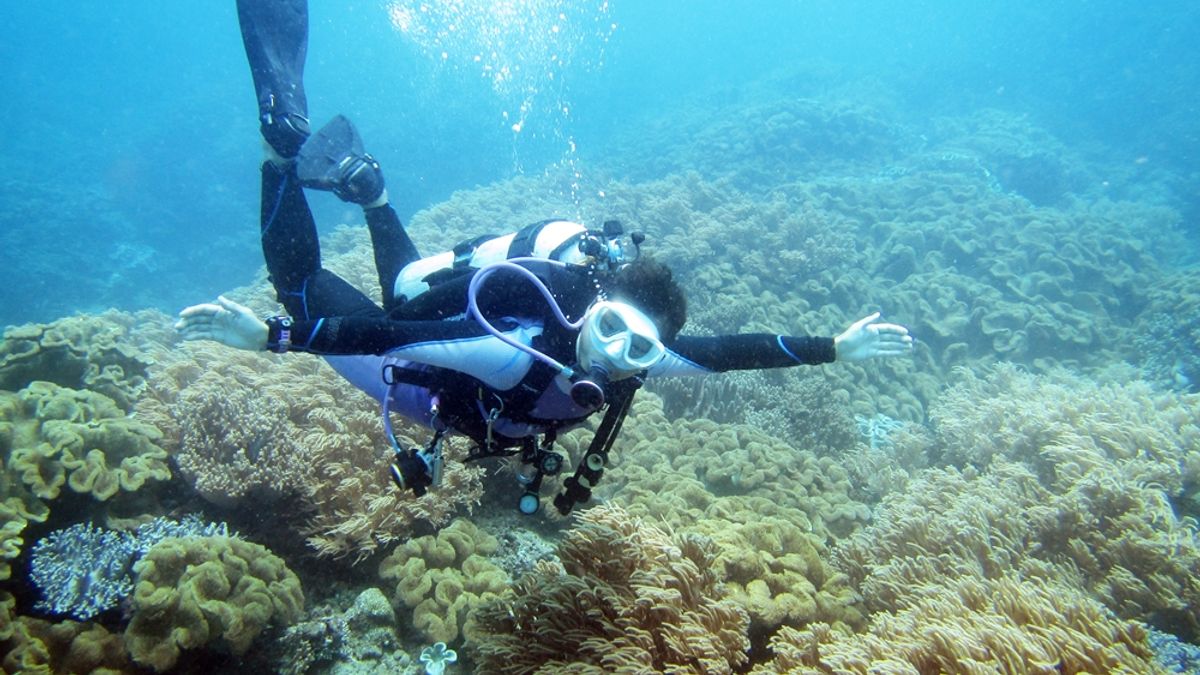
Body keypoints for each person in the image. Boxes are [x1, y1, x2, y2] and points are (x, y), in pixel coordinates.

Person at [176, 0, 913, 516]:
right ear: (597, 307)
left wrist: (837, 349)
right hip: (422, 376)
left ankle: (375, 196)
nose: (619, 355)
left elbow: (729, 352)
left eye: (640, 349)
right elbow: (393, 339)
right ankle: (279, 149)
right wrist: (275, 337)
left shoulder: (639, 354)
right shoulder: (512, 348)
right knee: (325, 291)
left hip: (448, 322)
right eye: (615, 329)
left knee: (405, 280)